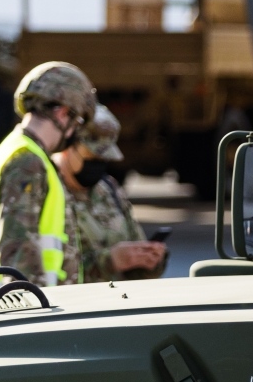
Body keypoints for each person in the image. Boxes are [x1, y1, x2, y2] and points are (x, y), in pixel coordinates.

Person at [0, 61, 97, 293]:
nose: (75, 132)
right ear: (63, 112)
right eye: (77, 122)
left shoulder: (15, 150)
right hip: (18, 314)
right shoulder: (28, 162)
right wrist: (35, 315)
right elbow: (19, 252)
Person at [53, 104, 168, 282]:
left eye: (104, 158)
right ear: (67, 147)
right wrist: (110, 262)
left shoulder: (107, 189)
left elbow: (135, 269)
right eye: (92, 157)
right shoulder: (44, 192)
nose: (98, 165)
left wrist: (149, 260)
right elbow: (44, 275)